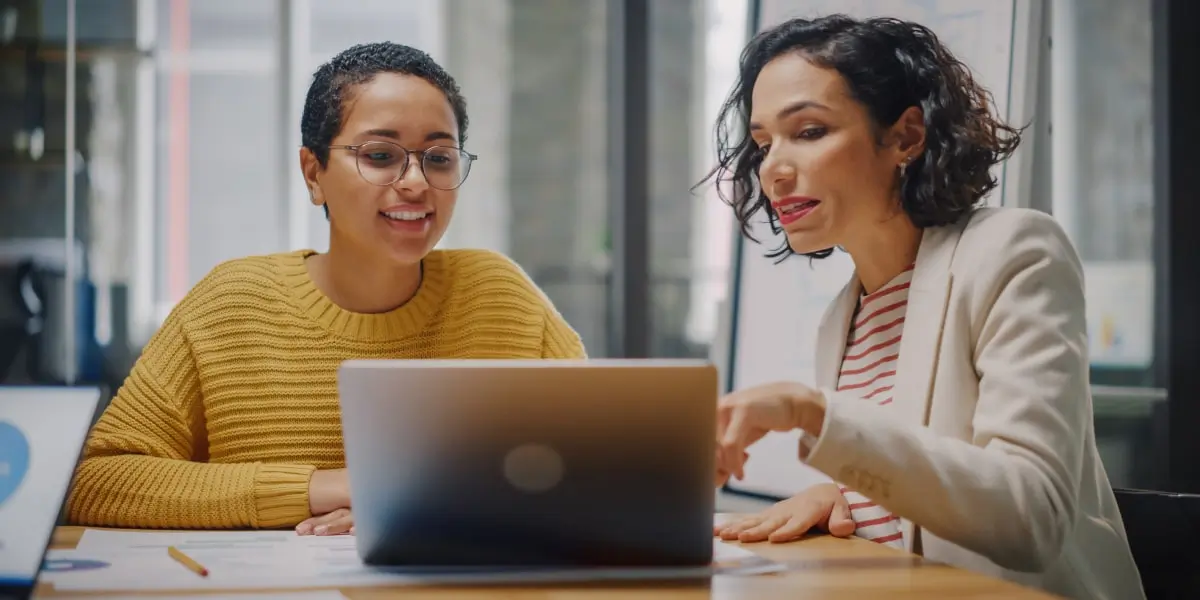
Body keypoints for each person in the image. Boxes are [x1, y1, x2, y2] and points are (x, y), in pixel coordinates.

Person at [66, 42, 586, 536]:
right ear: (313, 172)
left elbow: (595, 465)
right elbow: (98, 481)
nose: (416, 182)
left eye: (439, 157)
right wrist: (327, 488)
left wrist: (427, 500)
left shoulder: (502, 296)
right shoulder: (231, 303)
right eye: (381, 156)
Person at [704, 15, 1144, 600]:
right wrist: (848, 499)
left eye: (808, 131)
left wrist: (814, 414)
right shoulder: (843, 317)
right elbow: (918, 490)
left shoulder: (1016, 251)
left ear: (907, 137)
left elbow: (1029, 516)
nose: (773, 171)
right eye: (763, 144)